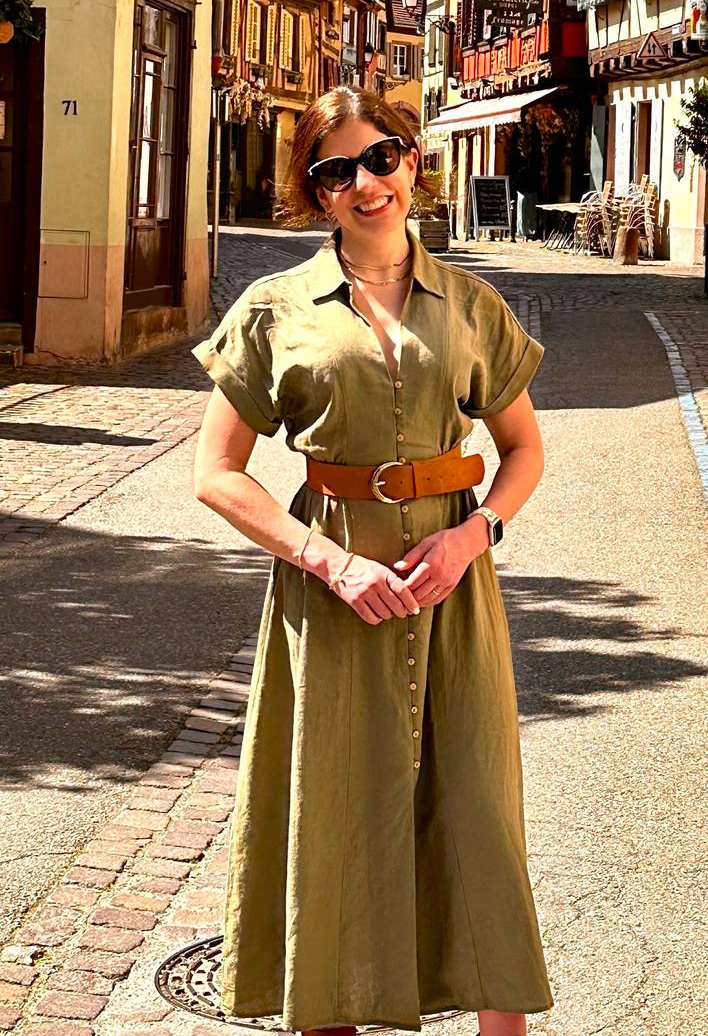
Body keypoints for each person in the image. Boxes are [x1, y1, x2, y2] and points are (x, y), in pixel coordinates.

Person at [191, 89, 552, 1036]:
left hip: (452, 590)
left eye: (380, 159)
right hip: (334, 593)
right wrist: (328, 562)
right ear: (317, 194)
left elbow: (523, 451)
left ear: (412, 162)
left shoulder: (471, 303)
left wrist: (476, 534)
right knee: (335, 814)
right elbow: (216, 474)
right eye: (336, 170)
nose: (365, 183)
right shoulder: (275, 310)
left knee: (476, 810)